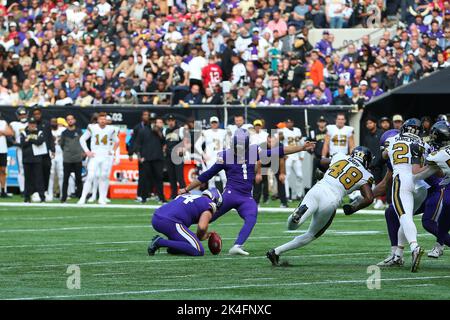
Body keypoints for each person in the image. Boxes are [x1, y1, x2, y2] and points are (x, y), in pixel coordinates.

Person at [179, 129, 316, 255]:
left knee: (251, 216)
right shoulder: (226, 156)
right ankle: (180, 231)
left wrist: (302, 147)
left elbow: (279, 151)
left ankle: (237, 245)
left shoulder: (253, 151)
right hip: (230, 194)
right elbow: (206, 175)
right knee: (208, 217)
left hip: (245, 197)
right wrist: (186, 189)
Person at [266, 146, 374, 266]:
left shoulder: (340, 156)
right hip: (331, 199)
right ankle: (277, 251)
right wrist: (354, 207)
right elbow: (369, 198)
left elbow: (321, 161)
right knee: (312, 234)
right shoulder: (365, 175)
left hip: (317, 189)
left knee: (293, 226)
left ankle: (296, 216)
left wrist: (323, 172)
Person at [382, 118, 426, 272]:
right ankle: (398, 254)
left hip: (402, 180)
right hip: (421, 184)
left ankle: (414, 247)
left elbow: (384, 155)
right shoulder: (422, 142)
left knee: (405, 217)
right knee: (406, 219)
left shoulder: (392, 139)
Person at [148, 188, 223, 256]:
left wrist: (195, 236)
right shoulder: (210, 204)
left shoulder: (188, 196)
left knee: (186, 243)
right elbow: (202, 227)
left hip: (156, 217)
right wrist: (201, 236)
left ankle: (173, 248)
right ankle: (160, 242)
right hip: (170, 222)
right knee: (198, 250)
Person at [78, 112, 119, 205]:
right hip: (95, 155)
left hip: (105, 156)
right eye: (101, 119)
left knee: (104, 176)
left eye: (104, 119)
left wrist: (112, 151)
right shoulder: (92, 127)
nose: (102, 121)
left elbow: (117, 141)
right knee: (90, 176)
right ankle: (82, 197)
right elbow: (82, 139)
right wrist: (87, 151)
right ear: (97, 120)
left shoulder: (111, 129)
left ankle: (101, 198)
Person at [134, 115, 166, 203]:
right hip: (146, 158)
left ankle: (161, 197)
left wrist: (159, 133)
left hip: (158, 158)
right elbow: (138, 144)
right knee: (145, 178)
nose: (153, 123)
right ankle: (143, 197)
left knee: (159, 178)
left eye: (154, 122)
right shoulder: (142, 131)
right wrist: (140, 157)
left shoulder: (161, 131)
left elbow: (164, 142)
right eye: (152, 121)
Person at [194, 116, 227, 190]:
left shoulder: (223, 132)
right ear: (210, 123)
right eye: (213, 123)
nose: (214, 124)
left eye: (215, 122)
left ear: (218, 123)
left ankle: (226, 197)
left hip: (221, 158)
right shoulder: (206, 132)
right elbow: (197, 145)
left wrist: (226, 154)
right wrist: (203, 154)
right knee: (211, 179)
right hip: (210, 158)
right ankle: (212, 197)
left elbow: (228, 144)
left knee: (225, 178)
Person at [278, 118, 305, 201]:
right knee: (286, 176)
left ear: (293, 122)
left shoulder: (297, 130)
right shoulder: (282, 130)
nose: (289, 123)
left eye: (290, 122)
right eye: (287, 122)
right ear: (285, 123)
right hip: (288, 156)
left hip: (296, 156)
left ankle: (299, 195)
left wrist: (302, 154)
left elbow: (301, 142)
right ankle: (286, 195)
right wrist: (283, 154)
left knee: (300, 176)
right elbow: (279, 142)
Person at [128, 110, 153, 202]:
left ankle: (149, 194)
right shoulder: (137, 127)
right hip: (141, 154)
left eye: (147, 115)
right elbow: (133, 141)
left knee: (150, 175)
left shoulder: (151, 126)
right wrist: (130, 153)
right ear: (142, 116)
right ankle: (139, 194)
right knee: (142, 175)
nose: (146, 116)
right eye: (144, 115)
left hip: (151, 154)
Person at [20, 117, 46, 203]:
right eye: (31, 124)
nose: (32, 125)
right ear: (28, 124)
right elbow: (23, 143)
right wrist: (33, 140)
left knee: (39, 179)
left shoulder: (40, 132)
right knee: (27, 179)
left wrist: (29, 139)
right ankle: (27, 197)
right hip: (26, 159)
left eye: (34, 123)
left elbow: (40, 142)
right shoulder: (23, 132)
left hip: (37, 159)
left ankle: (42, 197)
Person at [60, 114, 83, 203]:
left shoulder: (79, 131)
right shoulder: (64, 133)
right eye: (68, 119)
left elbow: (83, 142)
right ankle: (64, 197)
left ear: (74, 120)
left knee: (79, 179)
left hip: (77, 158)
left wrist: (81, 152)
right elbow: (62, 145)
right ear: (66, 121)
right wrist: (67, 152)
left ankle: (80, 197)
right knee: (65, 179)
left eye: (71, 119)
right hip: (67, 159)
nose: (70, 121)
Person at [32, 107, 55, 193]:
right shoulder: (31, 124)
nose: (37, 115)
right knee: (36, 172)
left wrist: (53, 149)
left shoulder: (46, 123)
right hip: (35, 152)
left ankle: (45, 190)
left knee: (46, 170)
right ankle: (36, 191)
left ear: (41, 114)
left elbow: (50, 137)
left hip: (45, 152)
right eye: (35, 114)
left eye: (38, 114)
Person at [164, 114, 186, 199]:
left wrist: (182, 148)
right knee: (171, 177)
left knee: (180, 177)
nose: (170, 122)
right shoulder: (165, 131)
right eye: (169, 121)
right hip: (169, 156)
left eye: (172, 120)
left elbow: (186, 141)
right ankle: (173, 195)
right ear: (167, 122)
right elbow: (165, 142)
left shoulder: (180, 130)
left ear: (174, 121)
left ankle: (184, 195)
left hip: (177, 156)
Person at [9, 107, 28, 195]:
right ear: (18, 116)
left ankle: (31, 188)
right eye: (21, 115)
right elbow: (9, 134)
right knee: (21, 168)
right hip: (20, 148)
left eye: (24, 114)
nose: (23, 116)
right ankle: (23, 189)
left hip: (31, 147)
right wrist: (14, 142)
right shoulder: (14, 124)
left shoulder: (31, 122)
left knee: (32, 168)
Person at [46, 118, 66, 201]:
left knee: (61, 174)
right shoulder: (47, 131)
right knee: (51, 174)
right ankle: (50, 194)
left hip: (61, 154)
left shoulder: (63, 130)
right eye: (52, 122)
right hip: (51, 154)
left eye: (55, 122)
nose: (53, 123)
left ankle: (63, 194)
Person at [0, 113, 13, 197]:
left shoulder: (3, 122)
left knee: (3, 170)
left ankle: (3, 190)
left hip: (3, 150)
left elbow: (10, 132)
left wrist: (1, 132)